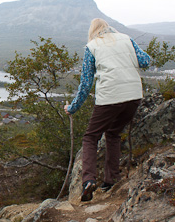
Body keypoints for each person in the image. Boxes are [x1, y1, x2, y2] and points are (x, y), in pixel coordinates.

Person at [64, 18, 151, 202]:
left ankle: (88, 180)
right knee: (113, 133)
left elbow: (86, 83)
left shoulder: (92, 46)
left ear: (92, 31)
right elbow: (145, 61)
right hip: (134, 96)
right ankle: (111, 180)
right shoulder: (126, 39)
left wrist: (72, 108)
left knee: (90, 137)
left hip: (109, 98)